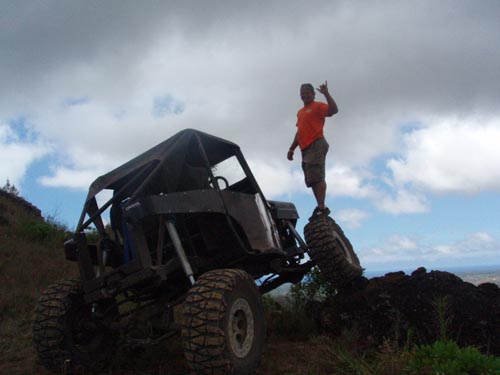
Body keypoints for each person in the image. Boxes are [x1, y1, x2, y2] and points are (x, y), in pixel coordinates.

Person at [287, 81, 338, 219]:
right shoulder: (300, 112)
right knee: (312, 179)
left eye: (308, 93)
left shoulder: (318, 106)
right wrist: (292, 148)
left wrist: (326, 93)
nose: (305, 96)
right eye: (302, 94)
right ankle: (320, 207)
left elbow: (334, 110)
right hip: (305, 148)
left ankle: (322, 207)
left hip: (316, 143)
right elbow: (299, 132)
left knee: (318, 175)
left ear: (313, 94)